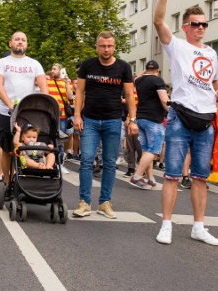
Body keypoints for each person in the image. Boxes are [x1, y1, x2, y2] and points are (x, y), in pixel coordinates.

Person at [152, 0, 218, 245]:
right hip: (180, 116)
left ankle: (199, 226)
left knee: (200, 177)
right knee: (172, 173)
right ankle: (167, 224)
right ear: (185, 27)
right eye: (196, 24)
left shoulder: (211, 53)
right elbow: (159, 21)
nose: (201, 28)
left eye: (204, 24)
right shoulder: (178, 46)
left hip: (206, 118)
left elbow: (213, 79)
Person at [72, 31, 137, 220]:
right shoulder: (87, 65)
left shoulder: (123, 67)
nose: (106, 49)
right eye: (102, 46)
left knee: (109, 163)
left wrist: (132, 120)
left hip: (113, 120)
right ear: (97, 47)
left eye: (109, 46)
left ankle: (104, 203)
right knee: (86, 161)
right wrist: (77, 115)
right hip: (90, 120)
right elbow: (80, 92)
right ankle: (84, 202)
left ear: (114, 47)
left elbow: (129, 95)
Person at [0, 32, 48, 186]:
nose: (20, 42)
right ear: (10, 43)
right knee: (8, 150)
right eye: (17, 39)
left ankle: (21, 180)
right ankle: (7, 183)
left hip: (28, 113)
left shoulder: (34, 64)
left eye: (23, 40)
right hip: (7, 112)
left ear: (27, 44)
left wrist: (45, 104)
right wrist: (10, 104)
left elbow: (43, 87)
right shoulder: (2, 63)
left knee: (24, 147)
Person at [128, 60, 168, 190]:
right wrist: (173, 112)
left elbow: (139, 76)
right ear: (157, 71)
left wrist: (145, 73)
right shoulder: (158, 80)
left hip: (141, 118)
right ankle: (137, 175)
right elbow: (164, 100)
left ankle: (150, 178)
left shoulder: (139, 81)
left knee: (146, 151)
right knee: (154, 150)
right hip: (154, 119)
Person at [46, 62, 74, 165]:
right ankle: (50, 160)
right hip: (49, 115)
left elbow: (70, 97)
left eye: (55, 69)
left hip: (61, 115)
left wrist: (67, 84)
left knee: (60, 139)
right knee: (49, 137)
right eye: (52, 69)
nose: (52, 71)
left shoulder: (66, 83)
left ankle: (59, 162)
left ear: (60, 71)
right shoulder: (47, 82)